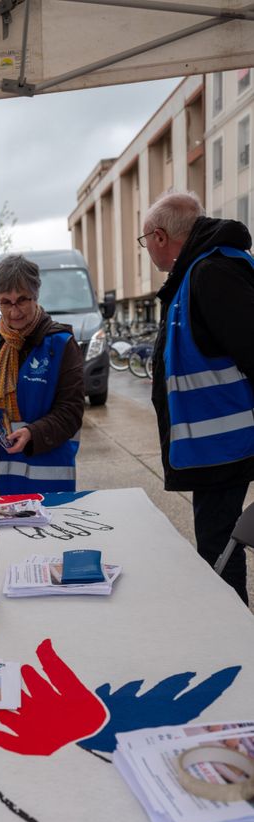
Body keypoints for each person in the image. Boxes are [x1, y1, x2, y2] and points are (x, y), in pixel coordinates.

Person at [140, 190, 254, 604]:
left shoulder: (212, 272)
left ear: (159, 237)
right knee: (217, 546)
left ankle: (231, 631)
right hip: (215, 448)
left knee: (219, 552)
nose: (147, 248)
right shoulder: (198, 272)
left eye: (145, 240)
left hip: (226, 447)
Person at [0, 254, 84, 497]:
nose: (14, 311)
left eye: (22, 300)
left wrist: (33, 433)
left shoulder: (61, 344)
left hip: (43, 484)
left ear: (36, 296)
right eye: (5, 302)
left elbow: (71, 411)